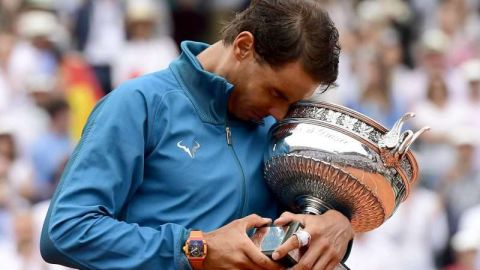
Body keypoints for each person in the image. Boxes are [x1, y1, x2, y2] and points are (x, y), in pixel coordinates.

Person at [40, 1, 353, 269]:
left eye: (292, 102)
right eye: (275, 92)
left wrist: (337, 225)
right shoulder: (140, 104)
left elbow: (300, 227)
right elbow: (66, 230)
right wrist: (196, 249)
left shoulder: (280, 129)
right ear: (244, 46)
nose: (280, 114)